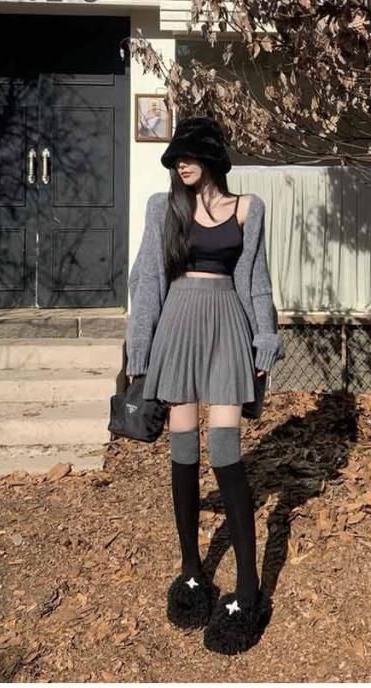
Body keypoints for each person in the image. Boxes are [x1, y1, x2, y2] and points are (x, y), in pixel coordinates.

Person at [125, 116, 284, 655]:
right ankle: (192, 571)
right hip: (176, 327)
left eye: (189, 156)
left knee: (225, 451)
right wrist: (138, 351)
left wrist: (265, 338)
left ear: (214, 157)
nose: (181, 165)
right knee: (183, 454)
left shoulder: (248, 208)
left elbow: (255, 281)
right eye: (176, 158)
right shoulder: (163, 208)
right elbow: (148, 280)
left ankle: (248, 589)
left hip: (227, 330)